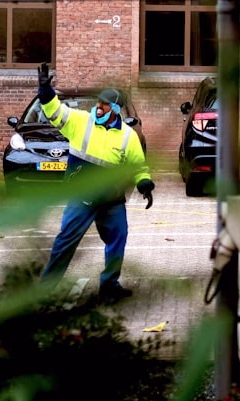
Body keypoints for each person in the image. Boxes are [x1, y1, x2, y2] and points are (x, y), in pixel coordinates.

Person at [35, 63, 154, 302]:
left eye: (104, 104)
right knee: (65, 242)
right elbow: (55, 112)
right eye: (98, 103)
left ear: (116, 109)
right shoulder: (80, 121)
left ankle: (109, 285)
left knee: (118, 239)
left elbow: (138, 165)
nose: (98, 107)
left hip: (111, 200)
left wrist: (144, 183)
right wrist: (46, 92)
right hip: (82, 198)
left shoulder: (127, 137)